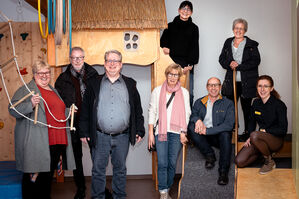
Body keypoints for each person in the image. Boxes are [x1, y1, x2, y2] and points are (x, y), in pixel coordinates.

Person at [79, 50, 145, 199]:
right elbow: (86, 109)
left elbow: (137, 110)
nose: (112, 64)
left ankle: (119, 197)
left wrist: (139, 130)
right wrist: (83, 131)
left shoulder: (130, 84)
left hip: (122, 136)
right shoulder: (94, 83)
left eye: (116, 61)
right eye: (109, 61)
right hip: (100, 135)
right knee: (98, 170)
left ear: (121, 65)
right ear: (104, 64)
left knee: (120, 170)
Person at [9, 60, 76, 199]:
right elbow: (12, 109)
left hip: (57, 141)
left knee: (46, 179)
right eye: (41, 73)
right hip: (39, 142)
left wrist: (69, 111)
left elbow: (56, 112)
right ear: (34, 75)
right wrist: (30, 104)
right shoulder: (27, 90)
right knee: (33, 179)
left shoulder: (53, 89)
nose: (44, 75)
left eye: (47, 72)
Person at [55, 47, 99, 199]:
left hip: (91, 121)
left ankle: (99, 189)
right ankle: (80, 188)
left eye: (80, 57)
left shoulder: (94, 74)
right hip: (72, 122)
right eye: (74, 58)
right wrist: (67, 110)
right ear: (70, 59)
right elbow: (57, 103)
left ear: (84, 58)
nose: (77, 60)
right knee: (76, 157)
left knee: (97, 156)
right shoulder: (62, 79)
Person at [148, 63, 191, 199]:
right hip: (161, 131)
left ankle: (167, 185)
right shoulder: (157, 91)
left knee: (172, 163)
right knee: (162, 163)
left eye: (176, 74)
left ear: (179, 77)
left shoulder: (184, 92)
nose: (173, 77)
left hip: (177, 132)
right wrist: (150, 133)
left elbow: (187, 113)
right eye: (170, 74)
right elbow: (152, 112)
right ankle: (163, 192)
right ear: (166, 75)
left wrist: (184, 132)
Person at [235, 75, 288, 175]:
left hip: (275, 140)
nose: (262, 89)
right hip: (258, 138)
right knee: (239, 162)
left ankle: (269, 162)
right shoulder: (256, 103)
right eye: (260, 86)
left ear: (271, 88)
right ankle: (263, 153)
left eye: (266, 86)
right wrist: (249, 137)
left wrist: (265, 131)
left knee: (255, 135)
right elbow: (251, 122)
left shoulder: (279, 105)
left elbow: (283, 129)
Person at [219, 18, 261, 141]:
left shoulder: (251, 44)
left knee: (246, 109)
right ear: (233, 29)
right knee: (231, 108)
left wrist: (239, 66)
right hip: (231, 82)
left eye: (241, 28)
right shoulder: (228, 42)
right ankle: (233, 131)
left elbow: (256, 61)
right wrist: (230, 63)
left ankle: (247, 133)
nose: (238, 30)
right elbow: (221, 59)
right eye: (236, 28)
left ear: (245, 30)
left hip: (247, 83)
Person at [188, 77, 234, 185]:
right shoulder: (199, 102)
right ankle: (209, 155)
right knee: (191, 126)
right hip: (203, 137)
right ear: (207, 87)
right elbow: (193, 115)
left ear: (220, 87)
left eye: (216, 85)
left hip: (218, 136)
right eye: (210, 85)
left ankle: (223, 172)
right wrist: (197, 120)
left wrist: (208, 131)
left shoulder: (228, 103)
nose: (213, 88)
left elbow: (229, 125)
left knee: (226, 134)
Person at [160, 0, 199, 106]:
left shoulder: (194, 28)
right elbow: (162, 43)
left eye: (188, 9)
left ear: (191, 12)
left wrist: (190, 65)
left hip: (187, 65)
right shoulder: (170, 26)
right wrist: (165, 48)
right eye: (183, 8)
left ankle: (187, 121)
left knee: (188, 94)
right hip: (170, 64)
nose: (185, 11)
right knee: (168, 94)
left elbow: (195, 47)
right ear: (179, 10)